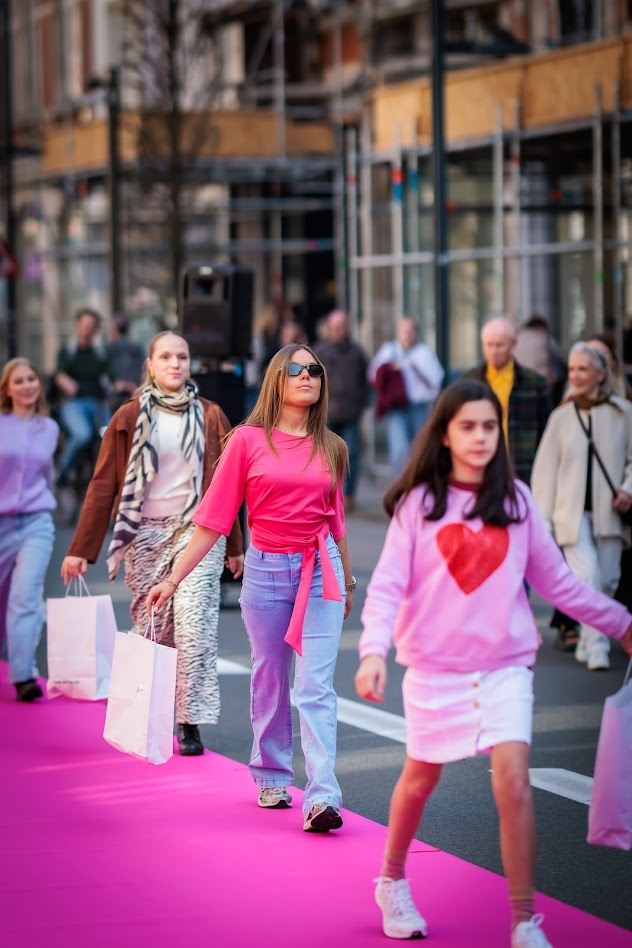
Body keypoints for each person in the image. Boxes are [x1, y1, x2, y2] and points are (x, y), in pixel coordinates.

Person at [354, 378, 632, 948]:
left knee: (513, 780)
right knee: (420, 778)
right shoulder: (419, 505)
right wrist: (372, 652)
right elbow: (385, 587)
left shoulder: (516, 501)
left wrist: (623, 624)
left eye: (489, 426)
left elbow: (559, 584)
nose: (481, 437)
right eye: (468, 426)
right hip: (434, 669)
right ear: (446, 435)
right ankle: (391, 878)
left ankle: (524, 920)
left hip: (506, 666)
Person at [146, 343, 354, 832]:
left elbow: (337, 520)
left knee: (316, 686)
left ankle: (323, 796)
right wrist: (173, 579)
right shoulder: (246, 440)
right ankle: (271, 774)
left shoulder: (334, 447)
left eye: (315, 370)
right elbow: (214, 519)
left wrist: (344, 577)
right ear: (277, 379)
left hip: (319, 570)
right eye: (297, 369)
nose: (308, 376)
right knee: (271, 678)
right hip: (264, 570)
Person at [60, 331, 244, 755]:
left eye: (182, 356)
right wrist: (80, 549)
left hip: (199, 532)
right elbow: (104, 483)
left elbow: (227, 488)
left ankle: (189, 720)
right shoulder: (129, 415)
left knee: (195, 626)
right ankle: (157, 709)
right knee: (156, 629)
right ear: (151, 364)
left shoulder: (212, 415)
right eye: (166, 356)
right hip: (145, 534)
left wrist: (235, 544)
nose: (176, 363)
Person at [531, 342, 632, 671]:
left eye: (583, 369)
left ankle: (589, 640)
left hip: (610, 515)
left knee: (608, 581)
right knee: (587, 576)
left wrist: (628, 489)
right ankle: (599, 646)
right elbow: (545, 472)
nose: (574, 375)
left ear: (601, 373)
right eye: (572, 369)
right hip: (570, 516)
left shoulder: (624, 413)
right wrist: (542, 521)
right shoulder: (561, 417)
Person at [0, 358, 59, 701]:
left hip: (37, 522)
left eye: (31, 379)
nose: (26, 386)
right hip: (2, 522)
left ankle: (23, 675)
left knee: (25, 596)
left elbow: (45, 474)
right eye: (18, 381)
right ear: (7, 389)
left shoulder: (49, 427)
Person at [464, 317, 551, 484]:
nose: (493, 351)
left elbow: (546, 431)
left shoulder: (535, 384)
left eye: (499, 345)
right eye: (489, 345)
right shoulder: (469, 382)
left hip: (522, 468)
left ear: (513, 344)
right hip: (480, 465)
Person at [368, 317, 444, 475]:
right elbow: (373, 375)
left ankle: (420, 485)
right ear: (398, 333)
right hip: (397, 407)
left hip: (419, 407)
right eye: (404, 331)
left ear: (416, 333)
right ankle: (401, 489)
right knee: (399, 450)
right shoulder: (389, 351)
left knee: (421, 448)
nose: (407, 335)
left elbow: (437, 379)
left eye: (410, 331)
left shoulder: (424, 353)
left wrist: (415, 367)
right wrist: (389, 369)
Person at [314, 309, 369, 512]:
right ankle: (327, 494)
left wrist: (361, 403)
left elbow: (365, 381)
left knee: (351, 454)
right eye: (335, 327)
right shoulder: (320, 351)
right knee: (326, 456)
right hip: (327, 414)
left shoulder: (357, 353)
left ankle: (349, 495)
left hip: (351, 412)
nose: (338, 330)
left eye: (341, 326)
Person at [54, 307, 112, 487]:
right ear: (77, 326)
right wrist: (66, 382)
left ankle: (110, 479)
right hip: (74, 404)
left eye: (91, 325)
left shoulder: (101, 352)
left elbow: (110, 377)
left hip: (97, 403)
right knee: (81, 435)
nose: (87, 328)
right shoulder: (68, 350)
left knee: (110, 436)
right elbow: (59, 374)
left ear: (96, 329)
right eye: (84, 324)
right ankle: (62, 472)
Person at [513, 315, 566, 406]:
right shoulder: (545, 339)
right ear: (540, 328)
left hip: (518, 388)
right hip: (543, 388)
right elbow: (559, 366)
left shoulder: (515, 340)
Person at [105, 313, 145, 414]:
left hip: (115, 396)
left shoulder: (108, 347)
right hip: (134, 392)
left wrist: (118, 384)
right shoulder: (137, 347)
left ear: (115, 329)